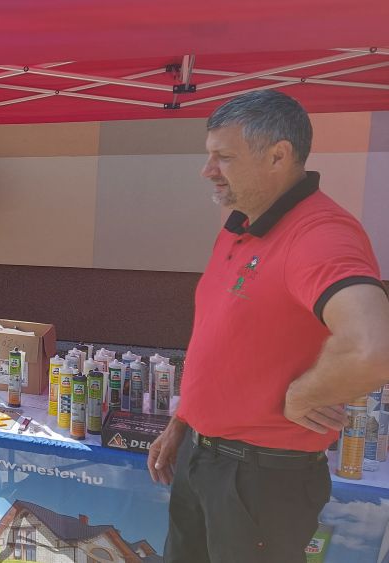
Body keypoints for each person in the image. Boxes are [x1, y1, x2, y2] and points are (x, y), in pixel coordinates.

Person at [147, 90, 389, 563]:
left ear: (279, 155)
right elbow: (219, 340)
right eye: (209, 155)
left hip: (260, 479)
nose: (207, 170)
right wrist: (184, 421)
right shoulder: (241, 225)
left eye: (224, 157)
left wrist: (303, 394)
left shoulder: (319, 234)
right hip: (204, 458)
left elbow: (373, 347)